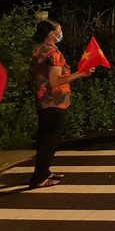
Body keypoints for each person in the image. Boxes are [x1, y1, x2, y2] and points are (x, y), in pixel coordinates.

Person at [29, 19, 96, 189]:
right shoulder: (52, 53)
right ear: (52, 34)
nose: (61, 33)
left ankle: (44, 172)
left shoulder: (39, 50)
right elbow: (56, 80)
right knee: (49, 141)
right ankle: (38, 179)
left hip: (44, 102)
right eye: (59, 30)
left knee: (46, 139)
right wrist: (80, 73)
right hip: (54, 103)